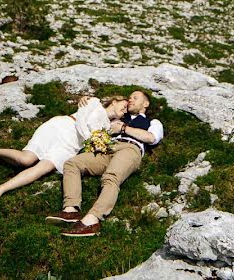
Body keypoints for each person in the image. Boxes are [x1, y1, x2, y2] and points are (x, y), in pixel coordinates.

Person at [0, 95, 128, 210]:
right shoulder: (94, 103)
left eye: (127, 110)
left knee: (42, 169)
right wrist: (93, 136)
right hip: (62, 127)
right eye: (124, 105)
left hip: (70, 147)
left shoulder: (110, 127)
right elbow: (83, 121)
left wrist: (103, 136)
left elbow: (100, 143)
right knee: (26, 160)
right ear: (114, 101)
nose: (125, 110)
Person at [47, 90, 164, 237]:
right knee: (72, 163)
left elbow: (151, 138)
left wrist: (123, 128)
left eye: (135, 97)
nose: (131, 100)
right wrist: (86, 101)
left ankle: (93, 219)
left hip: (130, 148)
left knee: (111, 177)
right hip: (107, 148)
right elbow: (96, 114)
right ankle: (71, 210)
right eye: (129, 97)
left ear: (146, 103)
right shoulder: (120, 116)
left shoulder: (153, 122)